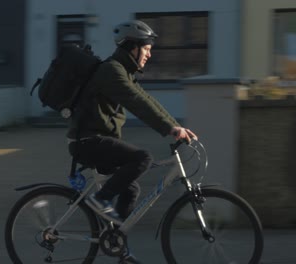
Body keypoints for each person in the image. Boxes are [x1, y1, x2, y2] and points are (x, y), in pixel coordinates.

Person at [67, 20, 197, 263]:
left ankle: (118, 245)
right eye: (146, 49)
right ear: (132, 47)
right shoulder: (111, 71)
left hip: (97, 140)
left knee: (132, 188)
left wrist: (177, 126)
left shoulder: (122, 71)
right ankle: (101, 199)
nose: (149, 54)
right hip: (88, 141)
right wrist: (170, 128)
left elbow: (146, 99)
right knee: (142, 158)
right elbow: (137, 104)